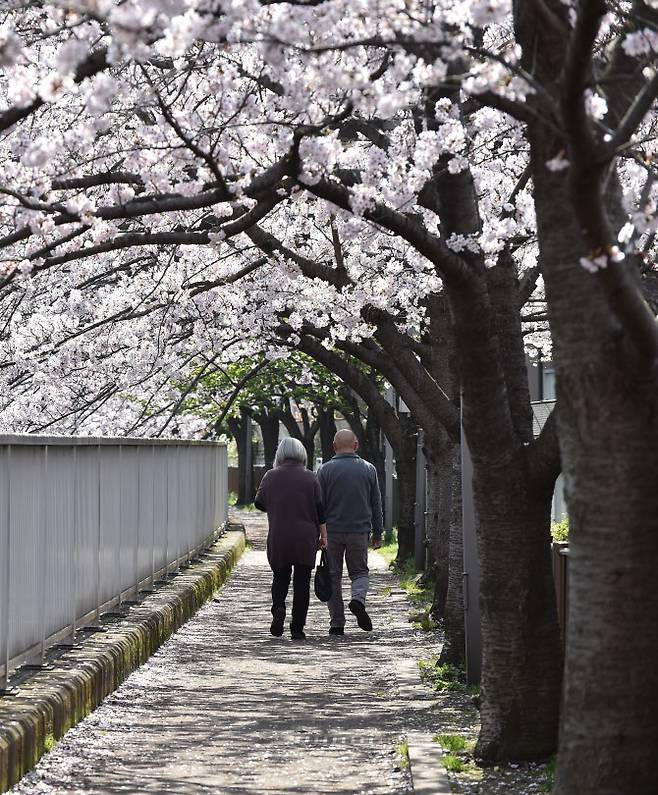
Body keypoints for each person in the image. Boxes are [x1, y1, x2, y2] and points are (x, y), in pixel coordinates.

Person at [255, 437, 327, 640]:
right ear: (302, 454)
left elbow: (258, 503)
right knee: (302, 582)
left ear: (280, 454)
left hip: (279, 535)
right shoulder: (311, 477)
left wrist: (277, 504)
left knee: (280, 577)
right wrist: (324, 537)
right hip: (305, 537)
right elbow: (321, 511)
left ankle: (278, 608)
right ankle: (297, 628)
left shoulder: (270, 476)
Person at [317, 429, 384, 635]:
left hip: (333, 532)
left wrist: (319, 534)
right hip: (359, 531)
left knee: (333, 576)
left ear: (334, 447)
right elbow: (376, 503)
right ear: (356, 446)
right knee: (360, 572)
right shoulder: (369, 469)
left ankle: (337, 623)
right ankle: (357, 600)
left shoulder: (325, 470)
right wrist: (378, 532)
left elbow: (318, 505)